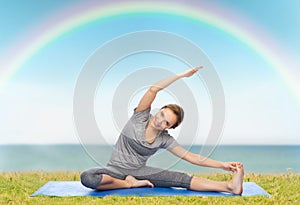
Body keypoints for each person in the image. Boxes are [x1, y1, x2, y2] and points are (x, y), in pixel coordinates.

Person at [80, 66, 244, 194]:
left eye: (166, 122)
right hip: (114, 169)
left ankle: (230, 187)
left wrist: (222, 165)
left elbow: (192, 157)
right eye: (162, 114)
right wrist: (181, 76)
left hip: (140, 172)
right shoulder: (140, 117)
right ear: (158, 110)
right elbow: (153, 89)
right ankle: (128, 183)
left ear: (169, 127)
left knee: (180, 179)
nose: (160, 121)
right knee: (88, 177)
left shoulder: (164, 139)